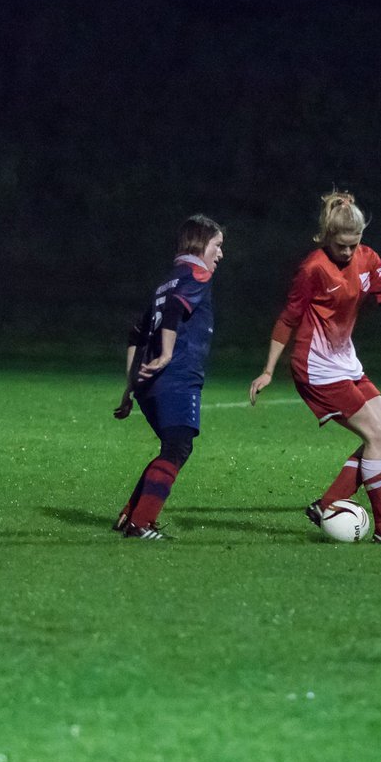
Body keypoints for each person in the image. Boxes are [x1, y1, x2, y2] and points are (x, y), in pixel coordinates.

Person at [248, 190, 381, 546]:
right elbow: (288, 319)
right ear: (326, 237)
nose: (347, 252)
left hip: (345, 361)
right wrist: (269, 369)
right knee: (376, 437)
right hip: (316, 367)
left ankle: (328, 503)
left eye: (354, 244)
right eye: (341, 245)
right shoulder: (313, 268)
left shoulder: (367, 258)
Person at [112, 215, 225, 540]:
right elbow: (176, 310)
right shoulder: (196, 275)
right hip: (174, 377)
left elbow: (135, 333)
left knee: (172, 448)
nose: (220, 254)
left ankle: (130, 516)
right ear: (200, 243)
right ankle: (140, 524)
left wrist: (130, 388)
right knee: (178, 447)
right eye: (217, 246)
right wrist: (165, 355)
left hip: (149, 383)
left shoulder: (168, 280)